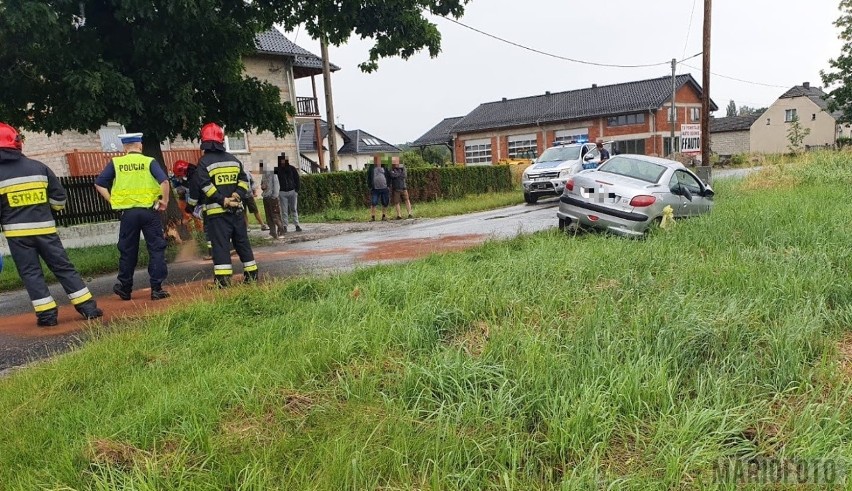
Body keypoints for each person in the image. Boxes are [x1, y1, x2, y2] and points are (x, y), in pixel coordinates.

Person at [0, 123, 103, 326]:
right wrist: (49, 212)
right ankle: (88, 309)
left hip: (17, 235)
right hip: (46, 230)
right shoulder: (39, 167)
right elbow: (59, 197)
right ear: (17, 143)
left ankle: (47, 317)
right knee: (64, 267)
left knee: (31, 273)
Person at [95, 132, 171, 301]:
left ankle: (125, 288)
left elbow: (99, 184)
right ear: (140, 146)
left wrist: (112, 200)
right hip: (149, 212)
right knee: (156, 248)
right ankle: (157, 289)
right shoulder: (148, 161)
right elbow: (164, 182)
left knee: (128, 250)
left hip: (128, 214)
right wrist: (164, 201)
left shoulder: (116, 163)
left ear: (124, 147)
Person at [189, 122, 257, 288]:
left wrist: (222, 200)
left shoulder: (204, 162)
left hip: (217, 214)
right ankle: (252, 276)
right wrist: (236, 195)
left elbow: (205, 186)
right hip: (237, 211)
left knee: (220, 247)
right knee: (242, 243)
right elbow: (244, 181)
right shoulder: (234, 159)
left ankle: (223, 282)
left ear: (204, 141)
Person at [260, 161, 286, 239]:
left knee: (276, 216)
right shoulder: (263, 175)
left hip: (272, 197)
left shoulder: (273, 173)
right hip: (266, 197)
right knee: (269, 216)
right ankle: (272, 233)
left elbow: (276, 184)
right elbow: (263, 185)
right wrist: (262, 186)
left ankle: (281, 232)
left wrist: (275, 195)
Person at [276, 155, 301, 232]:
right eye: (281, 161)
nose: (283, 162)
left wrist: (296, 190)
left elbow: (297, 179)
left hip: (292, 191)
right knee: (284, 210)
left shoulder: (292, 169)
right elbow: (275, 181)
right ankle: (285, 226)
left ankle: (297, 225)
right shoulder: (277, 170)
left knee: (294, 208)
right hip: (282, 192)